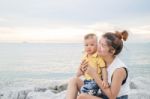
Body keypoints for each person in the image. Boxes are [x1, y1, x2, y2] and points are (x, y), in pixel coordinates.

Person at [66, 30, 129, 99]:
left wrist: (94, 75)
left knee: (82, 97)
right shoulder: (99, 59)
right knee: (74, 81)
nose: (98, 47)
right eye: (99, 43)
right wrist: (81, 71)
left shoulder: (119, 70)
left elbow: (112, 96)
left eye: (102, 45)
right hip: (104, 95)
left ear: (112, 51)